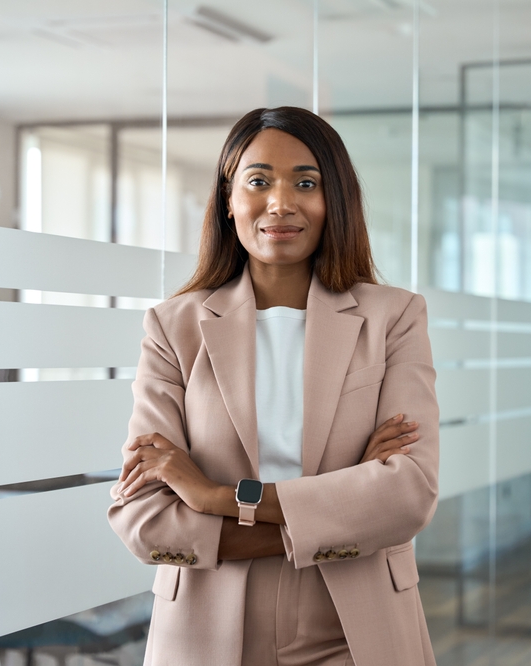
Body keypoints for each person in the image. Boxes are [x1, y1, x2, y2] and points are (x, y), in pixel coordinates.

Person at [107, 106, 439, 666]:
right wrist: (346, 500)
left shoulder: (394, 317)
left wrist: (218, 498)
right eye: (258, 181)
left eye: (305, 183)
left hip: (357, 628)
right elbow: (143, 519)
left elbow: (407, 495)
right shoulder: (173, 326)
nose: (281, 203)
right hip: (206, 629)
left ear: (334, 199)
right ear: (229, 198)